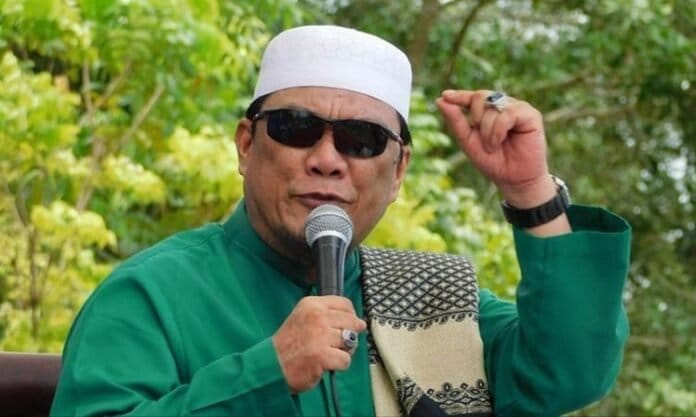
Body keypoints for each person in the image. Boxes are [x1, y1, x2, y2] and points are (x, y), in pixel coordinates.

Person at [50, 25, 631, 417]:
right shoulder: (151, 295)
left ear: (398, 171)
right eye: (296, 128)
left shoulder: (435, 299)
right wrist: (266, 373)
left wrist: (530, 193)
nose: (327, 159)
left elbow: (568, 373)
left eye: (362, 139)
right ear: (247, 144)